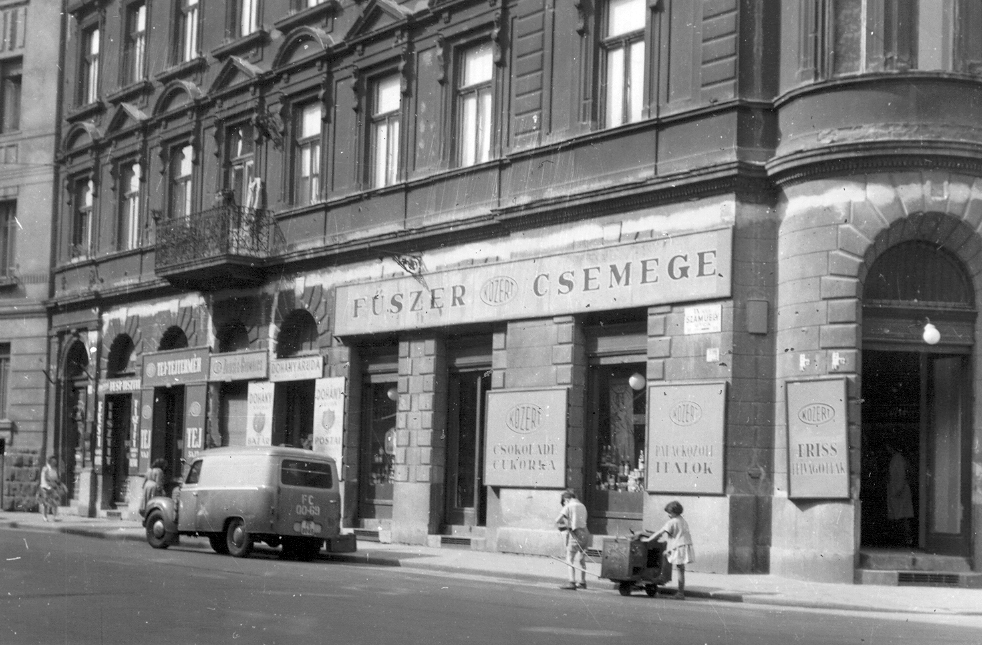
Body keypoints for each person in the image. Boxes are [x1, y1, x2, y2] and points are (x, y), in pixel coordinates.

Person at [644, 500, 694, 600]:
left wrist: (648, 539)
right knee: (680, 570)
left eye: (669, 513)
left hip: (678, 547)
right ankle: (680, 592)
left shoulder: (672, 522)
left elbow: (660, 532)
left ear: (674, 512)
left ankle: (663, 578)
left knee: (664, 556)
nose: (668, 515)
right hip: (684, 546)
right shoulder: (682, 520)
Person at [555, 489, 590, 590]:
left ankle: (572, 582)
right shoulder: (582, 506)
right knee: (582, 559)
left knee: (569, 558)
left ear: (566, 499)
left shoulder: (569, 506)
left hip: (575, 534)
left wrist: (565, 524)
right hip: (586, 533)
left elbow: (557, 519)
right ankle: (583, 582)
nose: (564, 504)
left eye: (564, 502)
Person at [885, 442, 914, 548]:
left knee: (902, 517)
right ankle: (902, 540)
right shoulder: (896, 458)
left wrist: (896, 491)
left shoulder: (898, 459)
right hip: (897, 491)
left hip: (899, 492)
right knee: (900, 517)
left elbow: (901, 476)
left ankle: (906, 541)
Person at [38, 456, 65, 522]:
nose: (55, 463)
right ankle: (45, 516)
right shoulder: (45, 469)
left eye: (55, 462)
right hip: (45, 487)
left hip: (52, 487)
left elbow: (56, 479)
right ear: (50, 462)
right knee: (45, 503)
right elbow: (46, 478)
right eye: (53, 462)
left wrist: (61, 484)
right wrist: (53, 484)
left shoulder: (54, 469)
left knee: (55, 502)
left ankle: (55, 517)